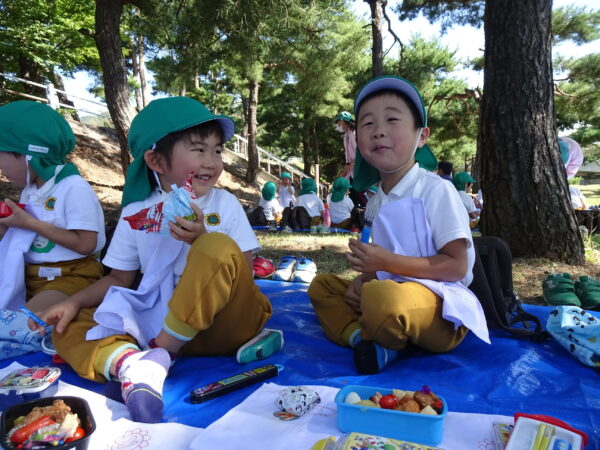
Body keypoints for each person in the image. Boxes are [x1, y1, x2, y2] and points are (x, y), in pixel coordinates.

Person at [29, 97, 277, 423]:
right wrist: (73, 303)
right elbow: (118, 280)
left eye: (217, 151)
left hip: (227, 324)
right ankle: (131, 367)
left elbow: (243, 272)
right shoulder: (137, 213)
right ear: (156, 160)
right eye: (199, 149)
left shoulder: (225, 204)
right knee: (69, 325)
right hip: (164, 323)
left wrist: (201, 239)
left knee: (215, 245)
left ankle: (161, 352)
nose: (212, 162)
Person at [308, 75, 489, 375]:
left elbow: (457, 267)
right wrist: (363, 280)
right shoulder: (376, 200)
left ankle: (380, 332)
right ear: (358, 140)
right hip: (388, 293)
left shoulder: (436, 190)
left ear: (422, 136)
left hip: (440, 308)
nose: (379, 131)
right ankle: (363, 340)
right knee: (322, 286)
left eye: (392, 120)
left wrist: (385, 265)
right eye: (367, 123)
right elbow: (382, 268)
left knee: (383, 297)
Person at [0, 101, 105, 359]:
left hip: (71, 277)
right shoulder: (31, 189)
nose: (1, 169)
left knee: (20, 327)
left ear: (27, 154)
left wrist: (30, 223)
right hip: (31, 277)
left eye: (2, 159)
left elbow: (86, 244)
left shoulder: (73, 188)